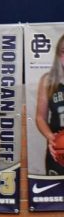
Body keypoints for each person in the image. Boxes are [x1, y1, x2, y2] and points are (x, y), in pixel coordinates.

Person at [35, 35, 64, 176]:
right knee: (55, 196)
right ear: (59, 55)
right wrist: (52, 139)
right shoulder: (48, 80)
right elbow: (40, 117)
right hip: (57, 150)